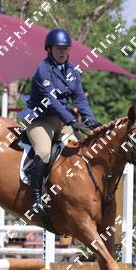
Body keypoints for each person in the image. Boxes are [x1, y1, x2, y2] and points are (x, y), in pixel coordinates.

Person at [17, 28, 101, 213]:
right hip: (39, 119)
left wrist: (90, 119)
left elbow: (79, 97)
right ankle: (36, 199)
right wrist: (71, 120)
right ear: (49, 49)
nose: (62, 52)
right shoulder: (43, 70)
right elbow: (51, 101)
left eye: (65, 48)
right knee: (44, 152)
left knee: (79, 148)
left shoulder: (72, 71)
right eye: (58, 48)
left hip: (61, 120)